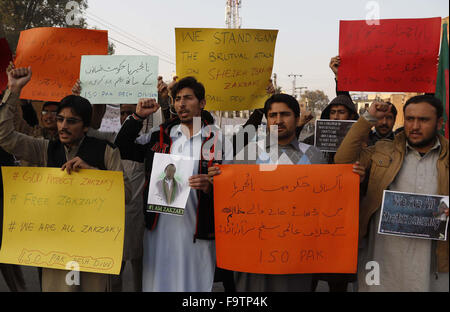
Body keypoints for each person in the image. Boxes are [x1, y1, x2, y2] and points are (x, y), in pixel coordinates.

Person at [208, 93, 366, 292]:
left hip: (299, 256)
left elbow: (328, 202)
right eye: (272, 115)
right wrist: (215, 181)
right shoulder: (247, 153)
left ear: (297, 119)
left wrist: (351, 181)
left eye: (285, 114)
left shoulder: (313, 154)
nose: (278, 120)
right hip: (253, 255)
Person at [0, 66, 131, 292]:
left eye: (71, 121)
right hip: (57, 247)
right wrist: (13, 90)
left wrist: (94, 175)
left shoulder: (106, 151)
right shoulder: (45, 149)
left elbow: (127, 195)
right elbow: (5, 136)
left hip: (95, 248)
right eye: (60, 119)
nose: (63, 126)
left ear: (86, 126)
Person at [335, 95, 449, 292]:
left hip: (432, 262)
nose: (415, 126)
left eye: (423, 120)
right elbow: (342, 160)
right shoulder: (383, 150)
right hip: (382, 258)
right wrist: (368, 118)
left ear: (439, 123)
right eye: (410, 119)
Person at [115, 76, 218, 292]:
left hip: (196, 234)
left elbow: (231, 187)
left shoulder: (217, 140)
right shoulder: (160, 135)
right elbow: (122, 147)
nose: (181, 103)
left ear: (202, 103)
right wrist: (137, 117)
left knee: (194, 286)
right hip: (158, 232)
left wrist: (210, 187)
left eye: (188, 98)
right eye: (178, 98)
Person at [329, 56, 396, 146]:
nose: (384, 122)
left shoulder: (403, 142)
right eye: (380, 117)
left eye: (389, 118)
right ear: (374, 118)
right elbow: (344, 100)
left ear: (395, 120)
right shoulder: (363, 138)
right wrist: (339, 76)